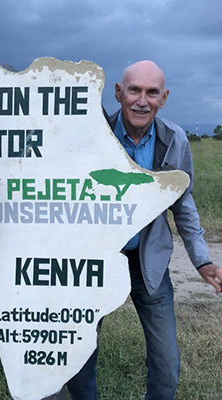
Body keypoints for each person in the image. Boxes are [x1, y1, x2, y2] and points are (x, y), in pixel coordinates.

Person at [66, 60, 222, 400]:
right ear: (119, 93)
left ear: (163, 98)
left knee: (167, 365)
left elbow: (183, 201)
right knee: (79, 361)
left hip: (147, 264)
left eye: (152, 92)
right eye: (134, 90)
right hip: (94, 265)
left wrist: (202, 260)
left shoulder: (175, 140)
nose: (142, 100)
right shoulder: (93, 135)